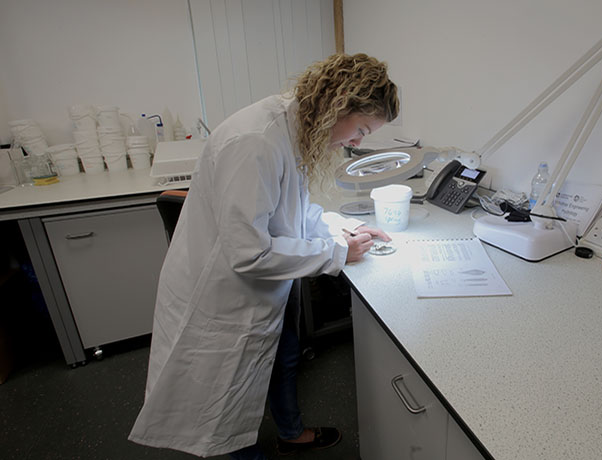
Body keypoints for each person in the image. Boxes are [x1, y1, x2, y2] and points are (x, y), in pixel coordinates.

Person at [128, 53, 399, 459]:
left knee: (283, 359)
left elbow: (293, 210)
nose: (358, 142)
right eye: (361, 129)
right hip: (226, 298)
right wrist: (337, 253)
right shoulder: (256, 141)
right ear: (339, 103)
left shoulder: (298, 128)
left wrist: (341, 232)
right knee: (226, 408)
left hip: (272, 284)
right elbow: (249, 253)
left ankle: (290, 433)